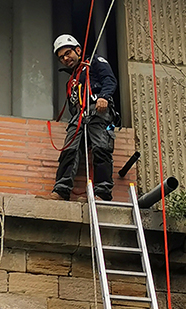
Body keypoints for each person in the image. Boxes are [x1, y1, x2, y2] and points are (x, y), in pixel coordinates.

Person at [50, 34, 118, 201]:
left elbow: (109, 79)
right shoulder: (72, 80)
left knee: (101, 148)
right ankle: (61, 189)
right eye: (61, 58)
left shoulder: (94, 62)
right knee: (69, 150)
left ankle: (102, 192)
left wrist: (104, 97)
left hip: (97, 110)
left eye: (67, 53)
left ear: (78, 50)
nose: (65, 59)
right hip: (80, 115)